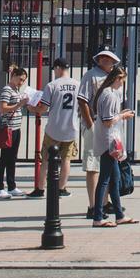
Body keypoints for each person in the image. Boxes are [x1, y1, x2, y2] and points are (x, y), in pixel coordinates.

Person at [88, 66, 137, 226]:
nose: (122, 83)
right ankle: (97, 217)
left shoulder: (107, 93)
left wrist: (121, 114)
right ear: (117, 79)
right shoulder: (110, 95)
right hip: (109, 142)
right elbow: (107, 121)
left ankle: (119, 215)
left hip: (108, 140)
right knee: (105, 179)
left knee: (114, 179)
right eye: (122, 80)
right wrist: (123, 116)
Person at [33, 56, 86, 195]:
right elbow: (82, 106)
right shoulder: (78, 85)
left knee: (46, 160)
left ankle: (40, 188)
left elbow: (43, 108)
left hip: (54, 128)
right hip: (71, 128)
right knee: (66, 160)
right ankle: (61, 188)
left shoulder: (52, 85)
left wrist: (32, 108)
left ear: (57, 68)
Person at [83, 49, 122, 215]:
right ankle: (93, 206)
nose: (106, 60)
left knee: (108, 167)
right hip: (97, 124)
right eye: (102, 57)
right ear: (98, 60)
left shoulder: (113, 77)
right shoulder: (91, 75)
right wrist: (90, 124)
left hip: (110, 128)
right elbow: (82, 100)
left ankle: (104, 203)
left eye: (109, 58)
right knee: (93, 165)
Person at [0, 64, 31, 198]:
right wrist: (19, 104)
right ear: (13, 76)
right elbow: (2, 108)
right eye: (20, 79)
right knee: (4, 158)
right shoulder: (7, 90)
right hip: (8, 128)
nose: (21, 82)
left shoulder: (15, 89)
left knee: (12, 158)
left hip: (15, 128)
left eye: (23, 80)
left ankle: (11, 186)